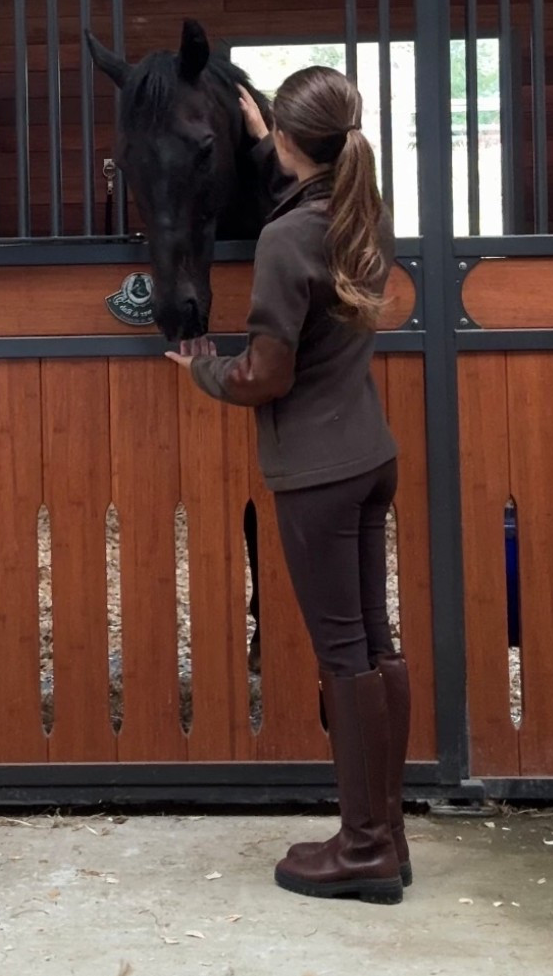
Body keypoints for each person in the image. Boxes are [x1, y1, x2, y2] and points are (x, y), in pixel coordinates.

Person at [167, 66, 411, 906]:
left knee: (343, 654)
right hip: (368, 452)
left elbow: (265, 375)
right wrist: (264, 132)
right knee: (376, 645)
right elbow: (307, 195)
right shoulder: (362, 209)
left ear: (285, 141)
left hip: (316, 468)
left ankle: (362, 848)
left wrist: (203, 370)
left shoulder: (285, 239)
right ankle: (387, 832)